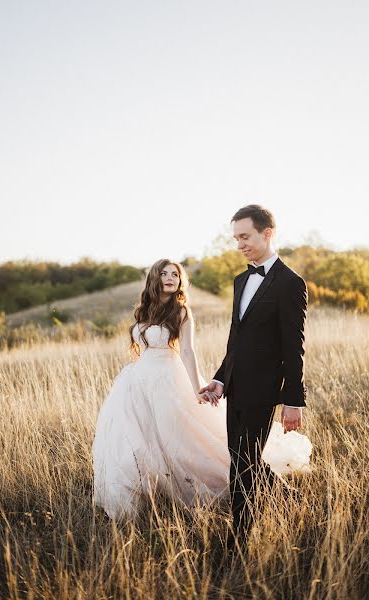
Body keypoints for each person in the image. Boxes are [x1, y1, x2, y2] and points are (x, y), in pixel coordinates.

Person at [93, 254, 311, 521]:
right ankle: (140, 495)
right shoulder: (143, 311)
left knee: (183, 440)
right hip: (138, 381)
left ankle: (249, 488)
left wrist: (198, 387)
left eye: (175, 274)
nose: (170, 278)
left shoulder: (181, 312)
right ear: (154, 278)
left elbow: (187, 352)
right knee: (135, 439)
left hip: (168, 379)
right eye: (164, 274)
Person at [200, 204, 310, 549]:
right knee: (241, 458)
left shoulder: (291, 283)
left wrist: (293, 401)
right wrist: (220, 378)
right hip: (235, 387)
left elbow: (294, 348)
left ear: (267, 233)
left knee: (244, 465)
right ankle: (289, 498)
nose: (239, 245)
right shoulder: (240, 281)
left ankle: (239, 540)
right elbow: (236, 340)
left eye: (245, 237)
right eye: (236, 238)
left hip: (264, 389)